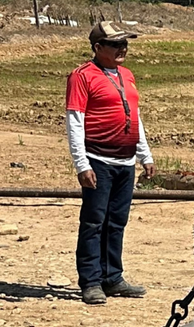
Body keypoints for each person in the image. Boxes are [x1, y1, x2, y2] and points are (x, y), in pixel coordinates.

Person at [66, 21, 155, 304]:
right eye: (116, 44)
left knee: (117, 221)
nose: (122, 48)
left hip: (125, 161)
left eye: (124, 43)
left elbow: (134, 116)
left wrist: (145, 154)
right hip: (98, 160)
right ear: (98, 48)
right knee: (94, 221)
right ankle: (91, 281)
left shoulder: (126, 75)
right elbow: (75, 121)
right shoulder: (82, 76)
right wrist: (82, 164)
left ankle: (113, 277)